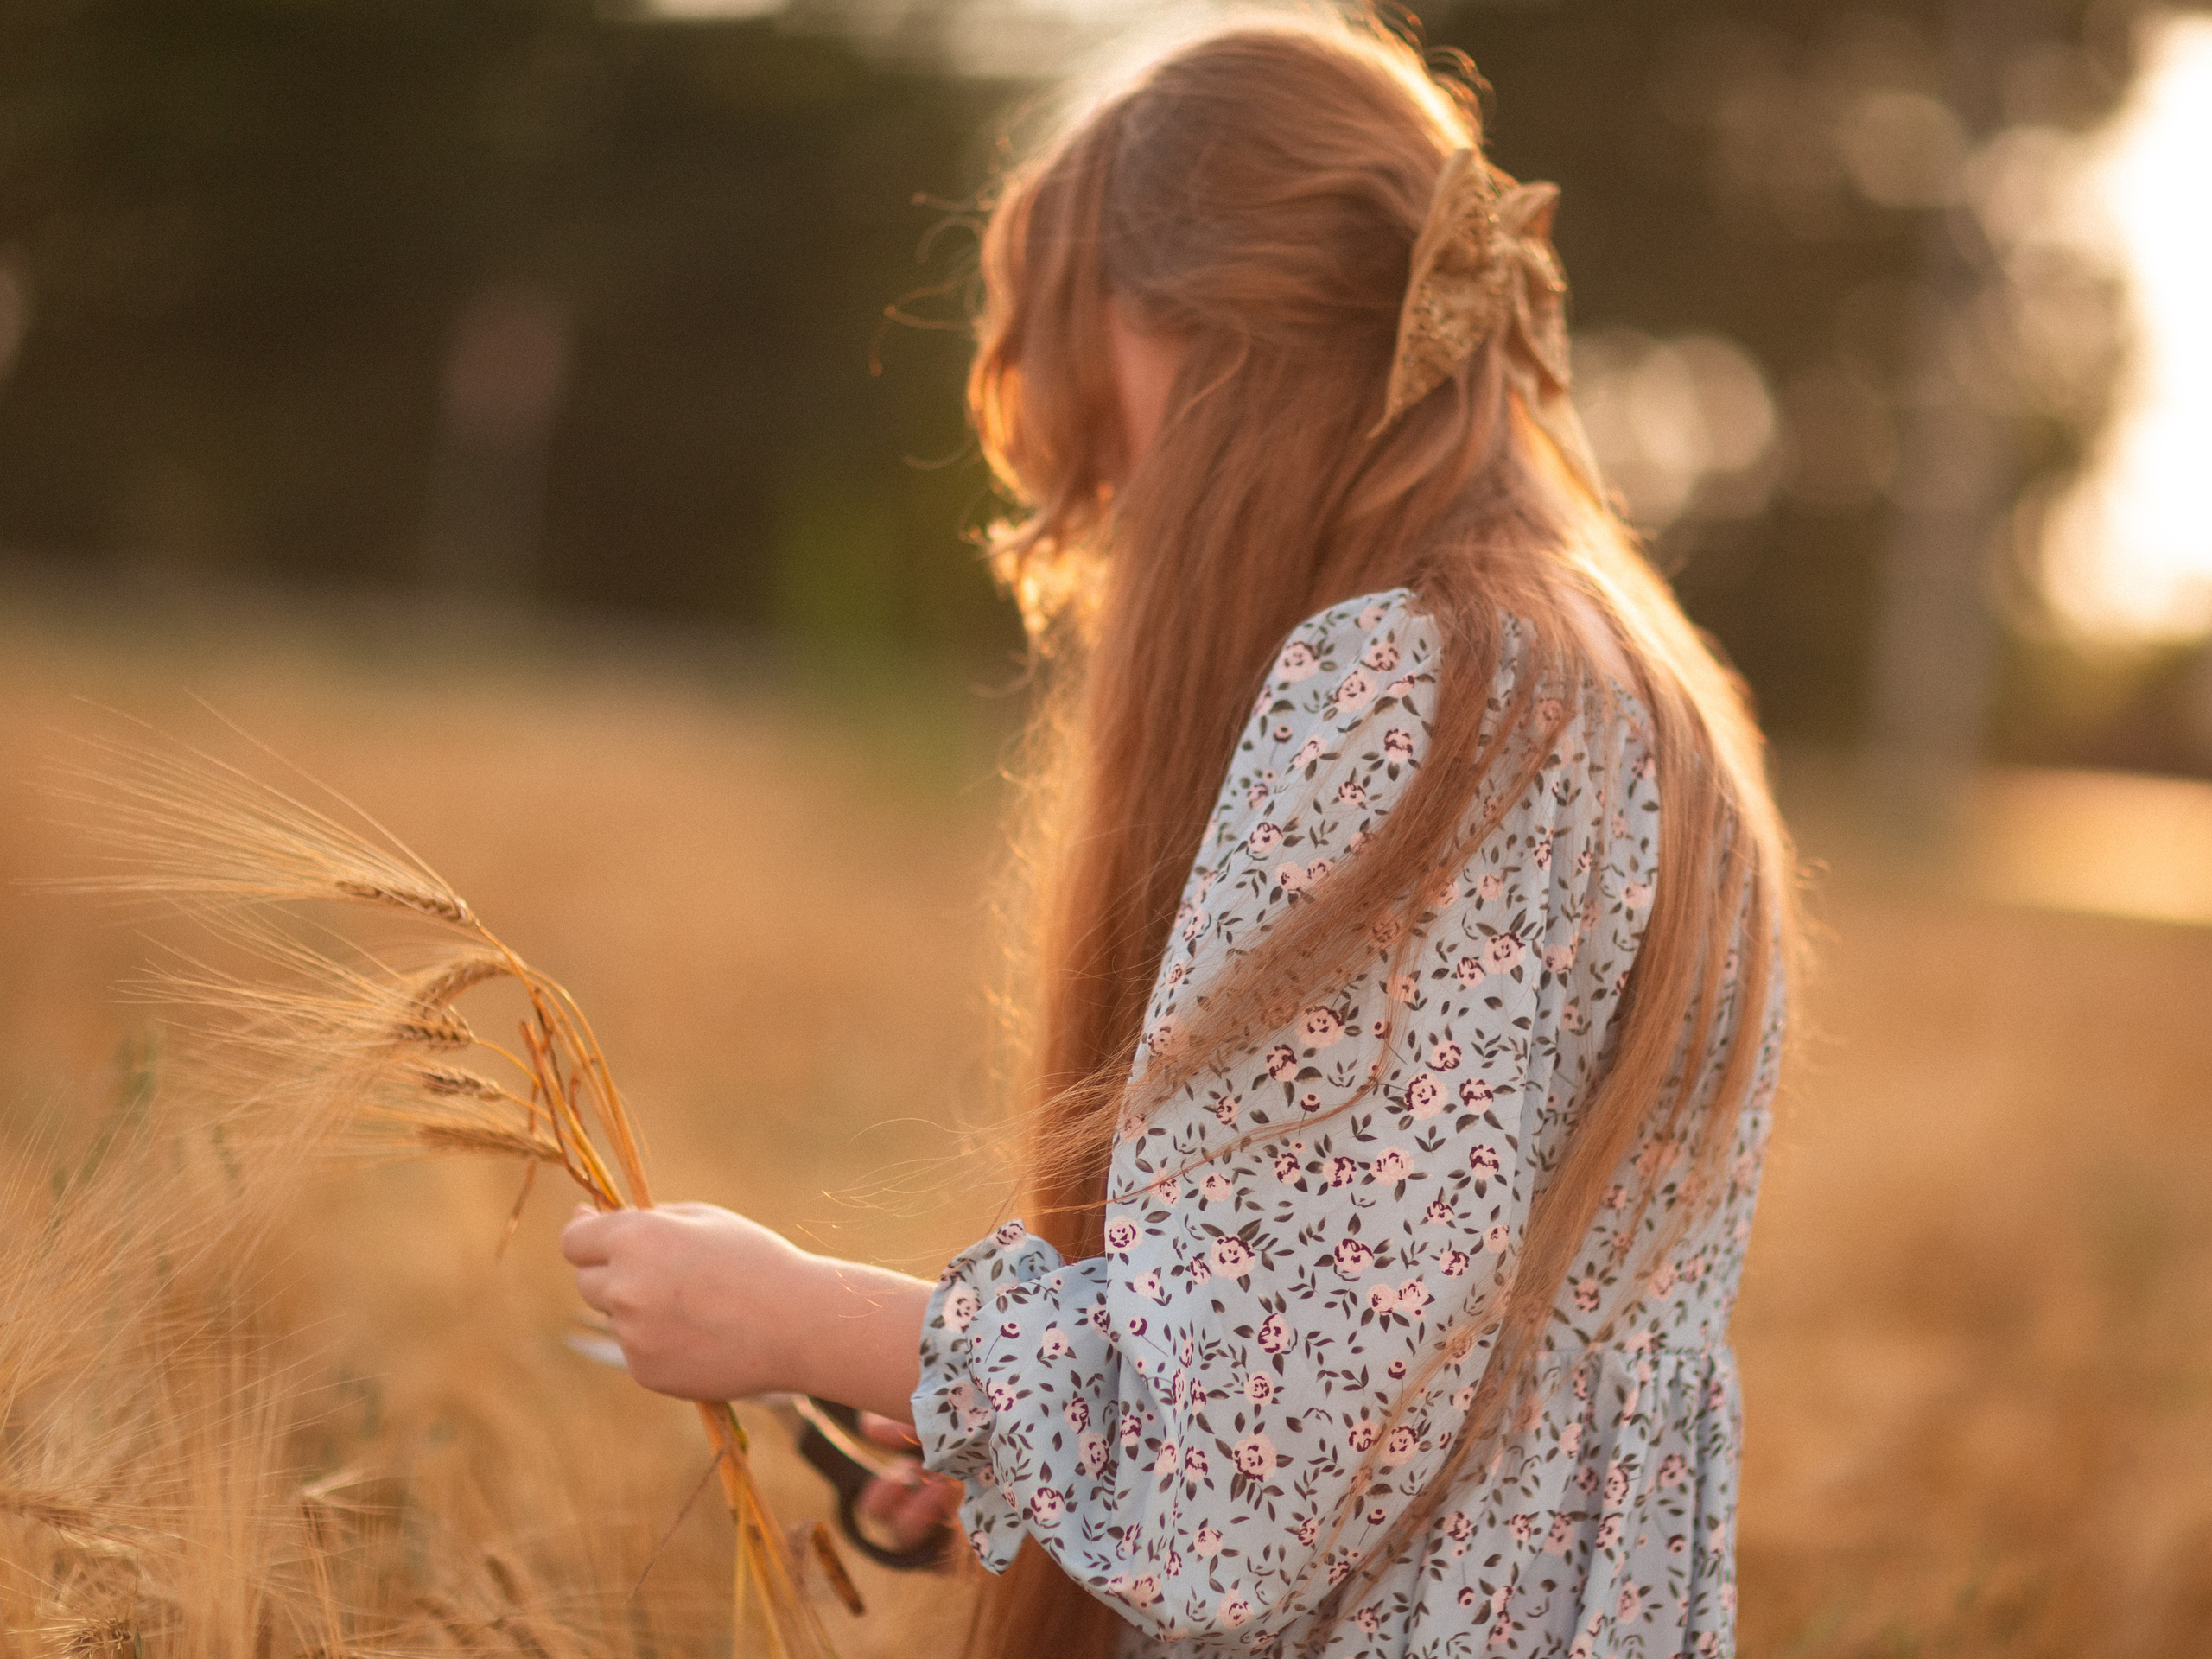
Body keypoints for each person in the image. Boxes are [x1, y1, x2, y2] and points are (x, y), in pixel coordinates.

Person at [560, 14, 1799, 1657]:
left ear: (1221, 351)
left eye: (1106, 431)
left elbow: (1252, 1466)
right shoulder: (1633, 684)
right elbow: (1390, 1332)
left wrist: (808, 1317)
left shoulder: (1416, 690)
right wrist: (1010, 1422)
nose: (1121, 510)